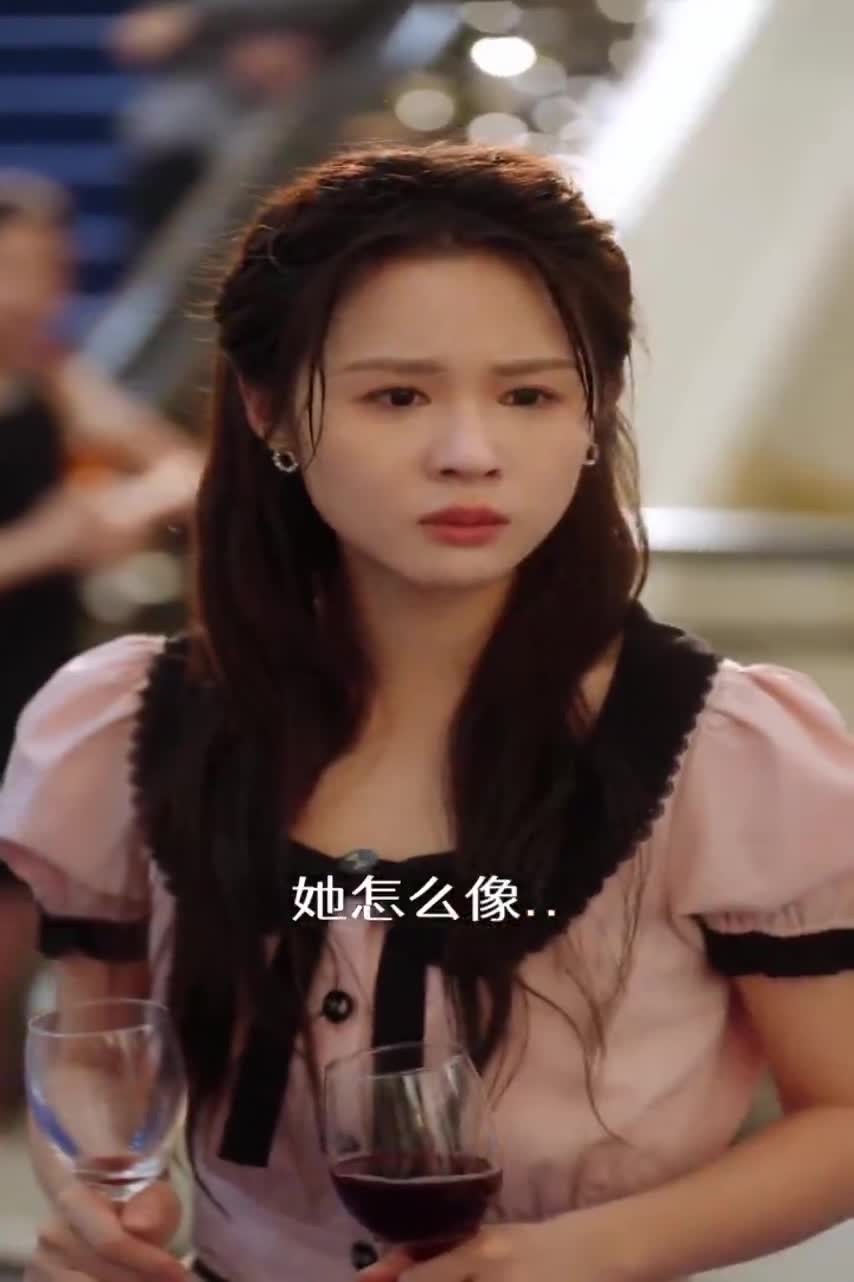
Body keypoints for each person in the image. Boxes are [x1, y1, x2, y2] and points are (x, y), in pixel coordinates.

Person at [2, 141, 854, 1282]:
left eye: (528, 395)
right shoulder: (133, 725)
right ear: (270, 410)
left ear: (592, 414)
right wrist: (100, 1201)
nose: (468, 453)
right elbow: (100, 1043)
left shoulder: (722, 753)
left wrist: (576, 1255)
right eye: (397, 396)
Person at [0, 172, 199, 1121]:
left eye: (47, 267)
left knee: (21, 896)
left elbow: (181, 465)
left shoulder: (49, 375)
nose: (30, 291)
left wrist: (121, 508)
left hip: (28, 678)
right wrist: (46, 542)